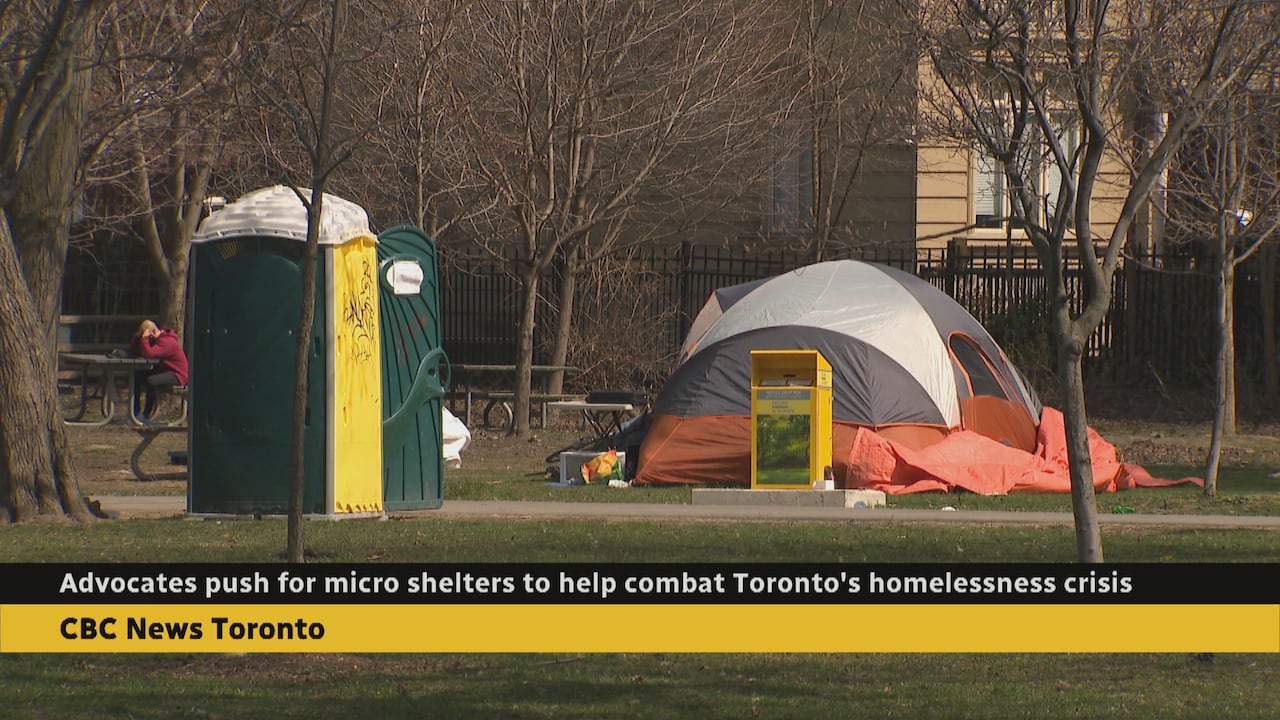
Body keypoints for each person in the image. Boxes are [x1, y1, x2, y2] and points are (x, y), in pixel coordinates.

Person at [130, 319, 189, 422]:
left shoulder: (167, 342)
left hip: (178, 375)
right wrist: (138, 337)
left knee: (151, 381)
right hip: (166, 371)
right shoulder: (158, 340)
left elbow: (149, 354)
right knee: (137, 376)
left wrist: (144, 339)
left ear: (151, 332)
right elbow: (136, 351)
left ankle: (146, 414)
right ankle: (134, 412)